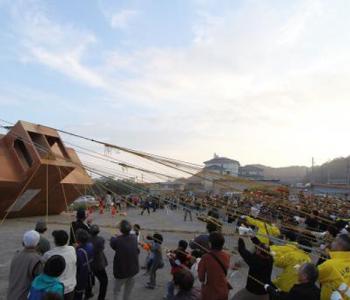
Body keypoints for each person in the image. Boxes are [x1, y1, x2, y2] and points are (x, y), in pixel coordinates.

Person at [7, 230, 43, 300]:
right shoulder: (37, 260)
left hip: (11, 295)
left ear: (23, 243)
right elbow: (39, 284)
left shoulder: (16, 255)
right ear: (38, 244)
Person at [110, 220, 139, 300]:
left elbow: (113, 241)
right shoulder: (134, 238)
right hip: (133, 270)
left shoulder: (116, 240)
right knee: (128, 292)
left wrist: (117, 235)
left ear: (120, 230)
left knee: (117, 291)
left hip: (121, 272)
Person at [44, 230, 77, 300]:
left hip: (55, 290)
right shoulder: (72, 249)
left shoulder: (49, 255)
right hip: (70, 288)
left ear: (55, 241)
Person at [198, 231, 231, 300]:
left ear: (210, 243)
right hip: (223, 290)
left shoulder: (206, 257)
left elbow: (201, 278)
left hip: (211, 293)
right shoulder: (227, 255)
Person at [318, 234, 350, 300]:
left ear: (339, 245)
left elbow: (308, 275)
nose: (332, 242)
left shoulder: (330, 264)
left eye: (334, 240)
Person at [90, 225, 108, 300]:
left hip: (90, 262)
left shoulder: (87, 239)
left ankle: (88, 292)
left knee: (90, 277)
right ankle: (101, 298)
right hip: (98, 263)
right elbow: (102, 247)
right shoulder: (101, 239)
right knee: (104, 281)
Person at [75, 229, 94, 300]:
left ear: (78, 240)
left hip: (80, 278)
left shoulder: (78, 253)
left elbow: (76, 266)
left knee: (78, 295)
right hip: (88, 274)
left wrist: (76, 248)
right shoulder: (90, 246)